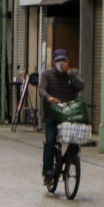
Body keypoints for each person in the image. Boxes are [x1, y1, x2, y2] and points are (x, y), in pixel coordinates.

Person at [38, 49, 85, 184]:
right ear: (53, 62)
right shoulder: (47, 75)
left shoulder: (73, 73)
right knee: (50, 142)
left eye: (64, 61)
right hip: (52, 115)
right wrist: (49, 97)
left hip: (69, 115)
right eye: (58, 61)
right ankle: (47, 173)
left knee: (76, 140)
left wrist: (69, 72)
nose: (61, 64)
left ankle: (70, 158)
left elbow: (81, 85)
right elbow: (41, 89)